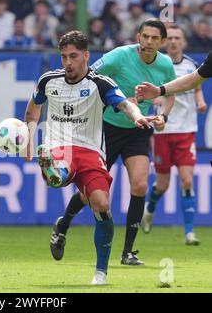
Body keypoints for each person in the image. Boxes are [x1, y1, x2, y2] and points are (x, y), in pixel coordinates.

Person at [24, 30, 154, 285]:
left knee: (102, 205)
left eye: (73, 56)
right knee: (59, 170)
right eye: (63, 57)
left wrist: (138, 117)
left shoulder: (100, 83)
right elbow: (33, 110)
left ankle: (100, 273)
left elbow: (125, 104)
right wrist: (29, 138)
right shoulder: (48, 81)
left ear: (86, 55)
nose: (68, 63)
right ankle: (54, 170)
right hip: (59, 146)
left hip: (91, 152)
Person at [50, 19, 176, 266]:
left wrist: (163, 116)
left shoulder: (165, 65)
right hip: (106, 129)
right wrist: (121, 101)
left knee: (139, 185)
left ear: (162, 42)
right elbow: (90, 79)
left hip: (138, 128)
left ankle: (128, 252)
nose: (148, 41)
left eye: (154, 38)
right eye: (145, 36)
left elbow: (168, 95)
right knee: (89, 195)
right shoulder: (119, 56)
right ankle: (63, 224)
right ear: (138, 36)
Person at [141, 25, 208, 245]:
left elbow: (196, 84)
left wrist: (200, 101)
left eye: (178, 38)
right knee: (162, 184)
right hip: (163, 130)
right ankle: (149, 210)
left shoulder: (191, 64)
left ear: (184, 42)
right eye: (169, 38)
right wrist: (155, 99)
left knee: (187, 180)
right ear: (163, 42)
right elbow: (145, 91)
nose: (173, 42)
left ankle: (189, 232)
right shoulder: (158, 65)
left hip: (186, 130)